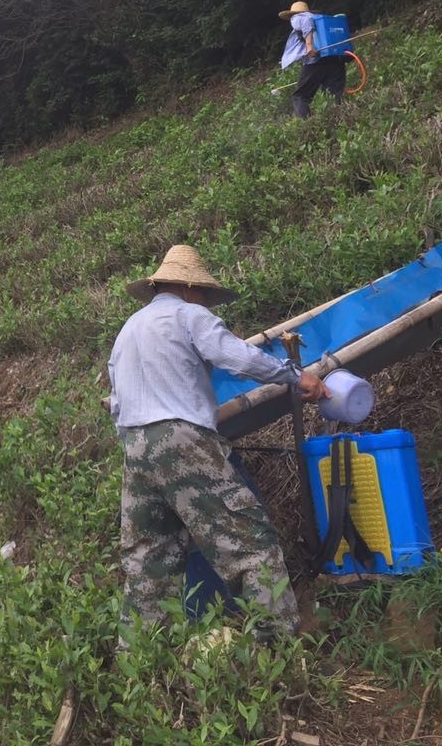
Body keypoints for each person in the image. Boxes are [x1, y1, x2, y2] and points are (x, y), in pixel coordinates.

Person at [108, 244, 329, 639]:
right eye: (206, 294)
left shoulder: (128, 330)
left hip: (135, 447)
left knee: (148, 562)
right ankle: (278, 651)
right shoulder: (190, 315)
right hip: (181, 438)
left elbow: (116, 402)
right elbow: (238, 358)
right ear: (191, 287)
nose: (208, 301)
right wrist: (296, 376)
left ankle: (141, 664)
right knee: (248, 542)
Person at [279, 0, 347, 119]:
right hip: (336, 60)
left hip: (315, 61)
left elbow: (305, 22)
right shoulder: (321, 19)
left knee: (300, 97)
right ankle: (339, 121)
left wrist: (309, 46)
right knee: (333, 95)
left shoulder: (299, 17)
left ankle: (307, 125)